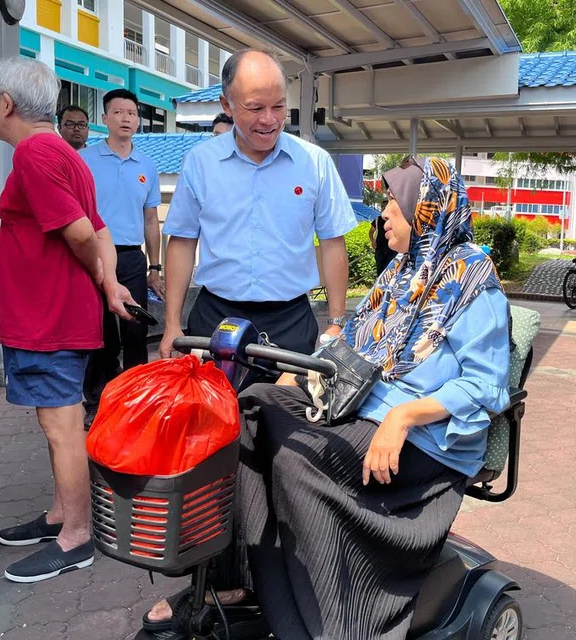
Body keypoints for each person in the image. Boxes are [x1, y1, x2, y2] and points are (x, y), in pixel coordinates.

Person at [143, 157, 511, 639]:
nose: (383, 217)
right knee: (250, 408)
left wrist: (402, 417)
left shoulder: (473, 281)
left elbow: (485, 384)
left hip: (426, 437)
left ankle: (328, 618)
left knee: (297, 459)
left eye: (392, 206)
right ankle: (241, 580)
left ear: (425, 212)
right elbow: (353, 343)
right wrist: (299, 375)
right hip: (362, 404)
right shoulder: (402, 271)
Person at [0, 57, 136, 583]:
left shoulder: (35, 152)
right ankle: (58, 517)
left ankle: (76, 536)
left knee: (62, 424)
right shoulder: (66, 154)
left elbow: (78, 231)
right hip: (49, 313)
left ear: (5, 104)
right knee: (58, 422)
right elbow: (102, 231)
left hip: (47, 314)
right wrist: (110, 283)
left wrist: (100, 277)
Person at [158, 49, 355, 362]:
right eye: (255, 108)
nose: (269, 119)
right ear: (227, 105)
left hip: (290, 321)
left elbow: (332, 243)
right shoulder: (201, 163)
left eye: (278, 106)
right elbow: (182, 242)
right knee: (210, 410)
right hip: (215, 318)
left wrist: (336, 322)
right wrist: (171, 324)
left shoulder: (314, 163)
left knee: (288, 409)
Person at [80, 89, 162, 427]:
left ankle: (137, 399)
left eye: (131, 113)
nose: (126, 118)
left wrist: (154, 266)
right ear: (105, 119)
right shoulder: (85, 159)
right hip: (92, 256)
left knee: (134, 332)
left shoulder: (147, 165)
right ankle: (97, 401)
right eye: (119, 112)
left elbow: (151, 220)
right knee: (99, 333)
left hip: (130, 257)